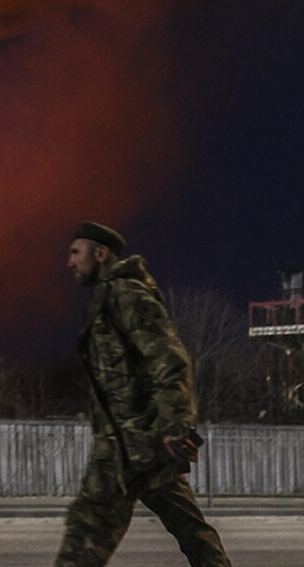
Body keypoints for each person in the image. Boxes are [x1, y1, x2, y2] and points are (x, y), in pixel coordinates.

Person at [55, 221, 231, 567]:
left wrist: (177, 426)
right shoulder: (106, 299)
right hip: (129, 444)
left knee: (92, 529)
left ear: (101, 253)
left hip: (137, 443)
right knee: (187, 532)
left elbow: (170, 360)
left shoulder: (126, 294)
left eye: (76, 252)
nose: (69, 262)